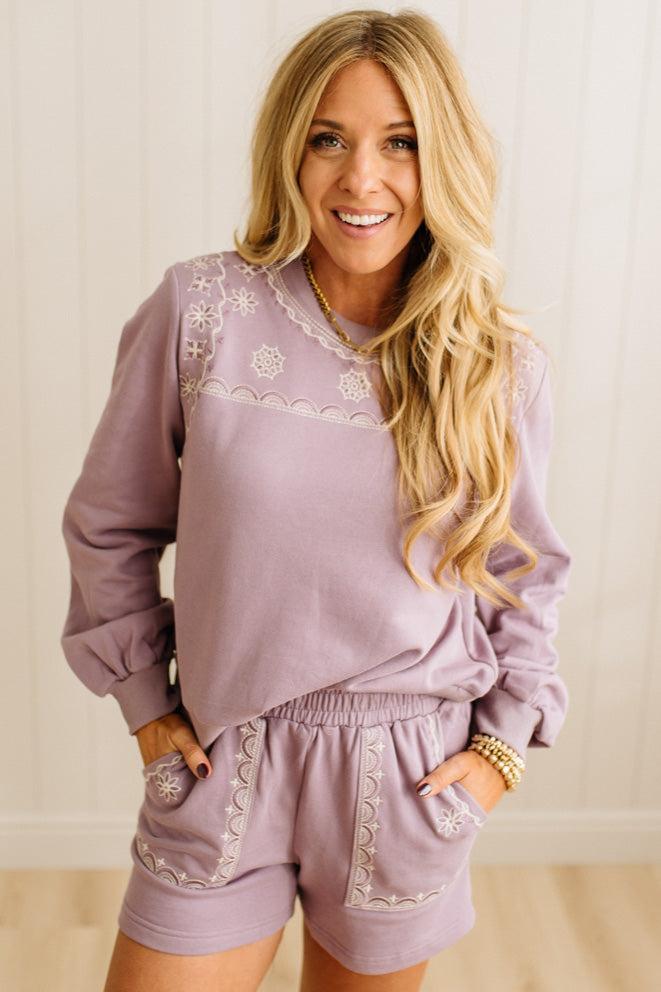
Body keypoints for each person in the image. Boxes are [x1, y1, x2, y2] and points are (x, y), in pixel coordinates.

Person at [59, 9, 572, 992]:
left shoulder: (496, 364)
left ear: (444, 158)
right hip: (221, 755)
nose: (360, 178)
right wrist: (143, 702)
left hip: (409, 767)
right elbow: (109, 521)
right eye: (327, 139)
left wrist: (500, 748)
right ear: (288, 149)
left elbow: (523, 567)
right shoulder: (201, 312)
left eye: (400, 143)